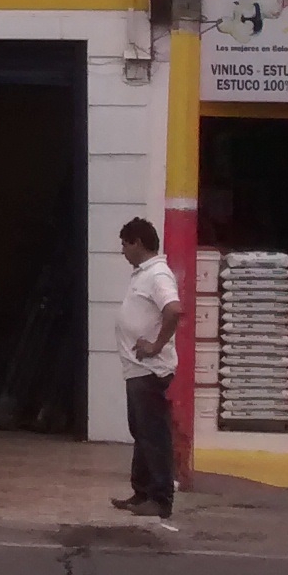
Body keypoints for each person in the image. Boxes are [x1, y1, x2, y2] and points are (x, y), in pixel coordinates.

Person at [113, 217, 183, 520]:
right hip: (136, 369)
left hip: (150, 369)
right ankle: (141, 492)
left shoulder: (158, 275)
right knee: (141, 431)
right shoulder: (142, 274)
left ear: (138, 243)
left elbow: (173, 310)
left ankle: (160, 497)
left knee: (153, 434)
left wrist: (155, 346)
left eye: (125, 244)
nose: (123, 251)